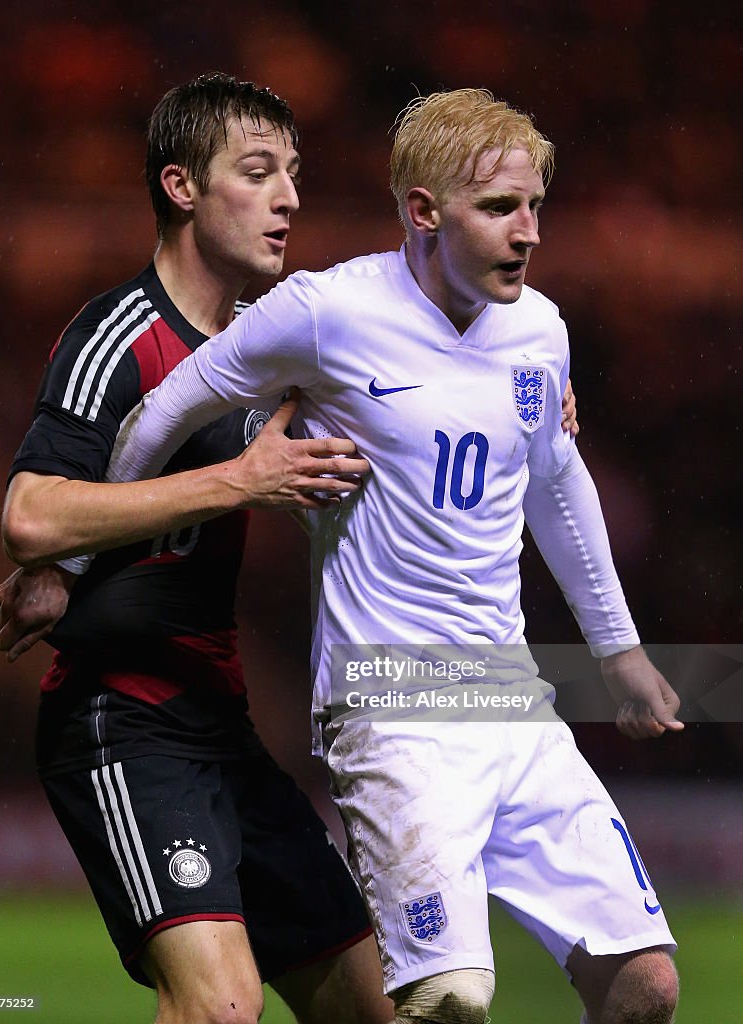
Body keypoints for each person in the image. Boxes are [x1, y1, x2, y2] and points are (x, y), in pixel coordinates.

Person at [91, 88, 684, 1023]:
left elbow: (555, 489)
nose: (527, 232)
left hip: (509, 697)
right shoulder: (325, 313)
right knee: (448, 999)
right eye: (498, 209)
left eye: (534, 207)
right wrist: (95, 551)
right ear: (421, 212)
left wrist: (619, 653)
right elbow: (167, 408)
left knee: (644, 987)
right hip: (390, 706)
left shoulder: (540, 331)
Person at [0, 72, 390, 1024]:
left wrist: (537, 406)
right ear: (181, 188)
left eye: (292, 173)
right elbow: (30, 514)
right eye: (257, 173)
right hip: (120, 719)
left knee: (373, 1009)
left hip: (221, 726)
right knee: (219, 1007)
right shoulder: (117, 335)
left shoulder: (266, 344)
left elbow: (413, 396)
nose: (288, 196)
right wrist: (237, 483)